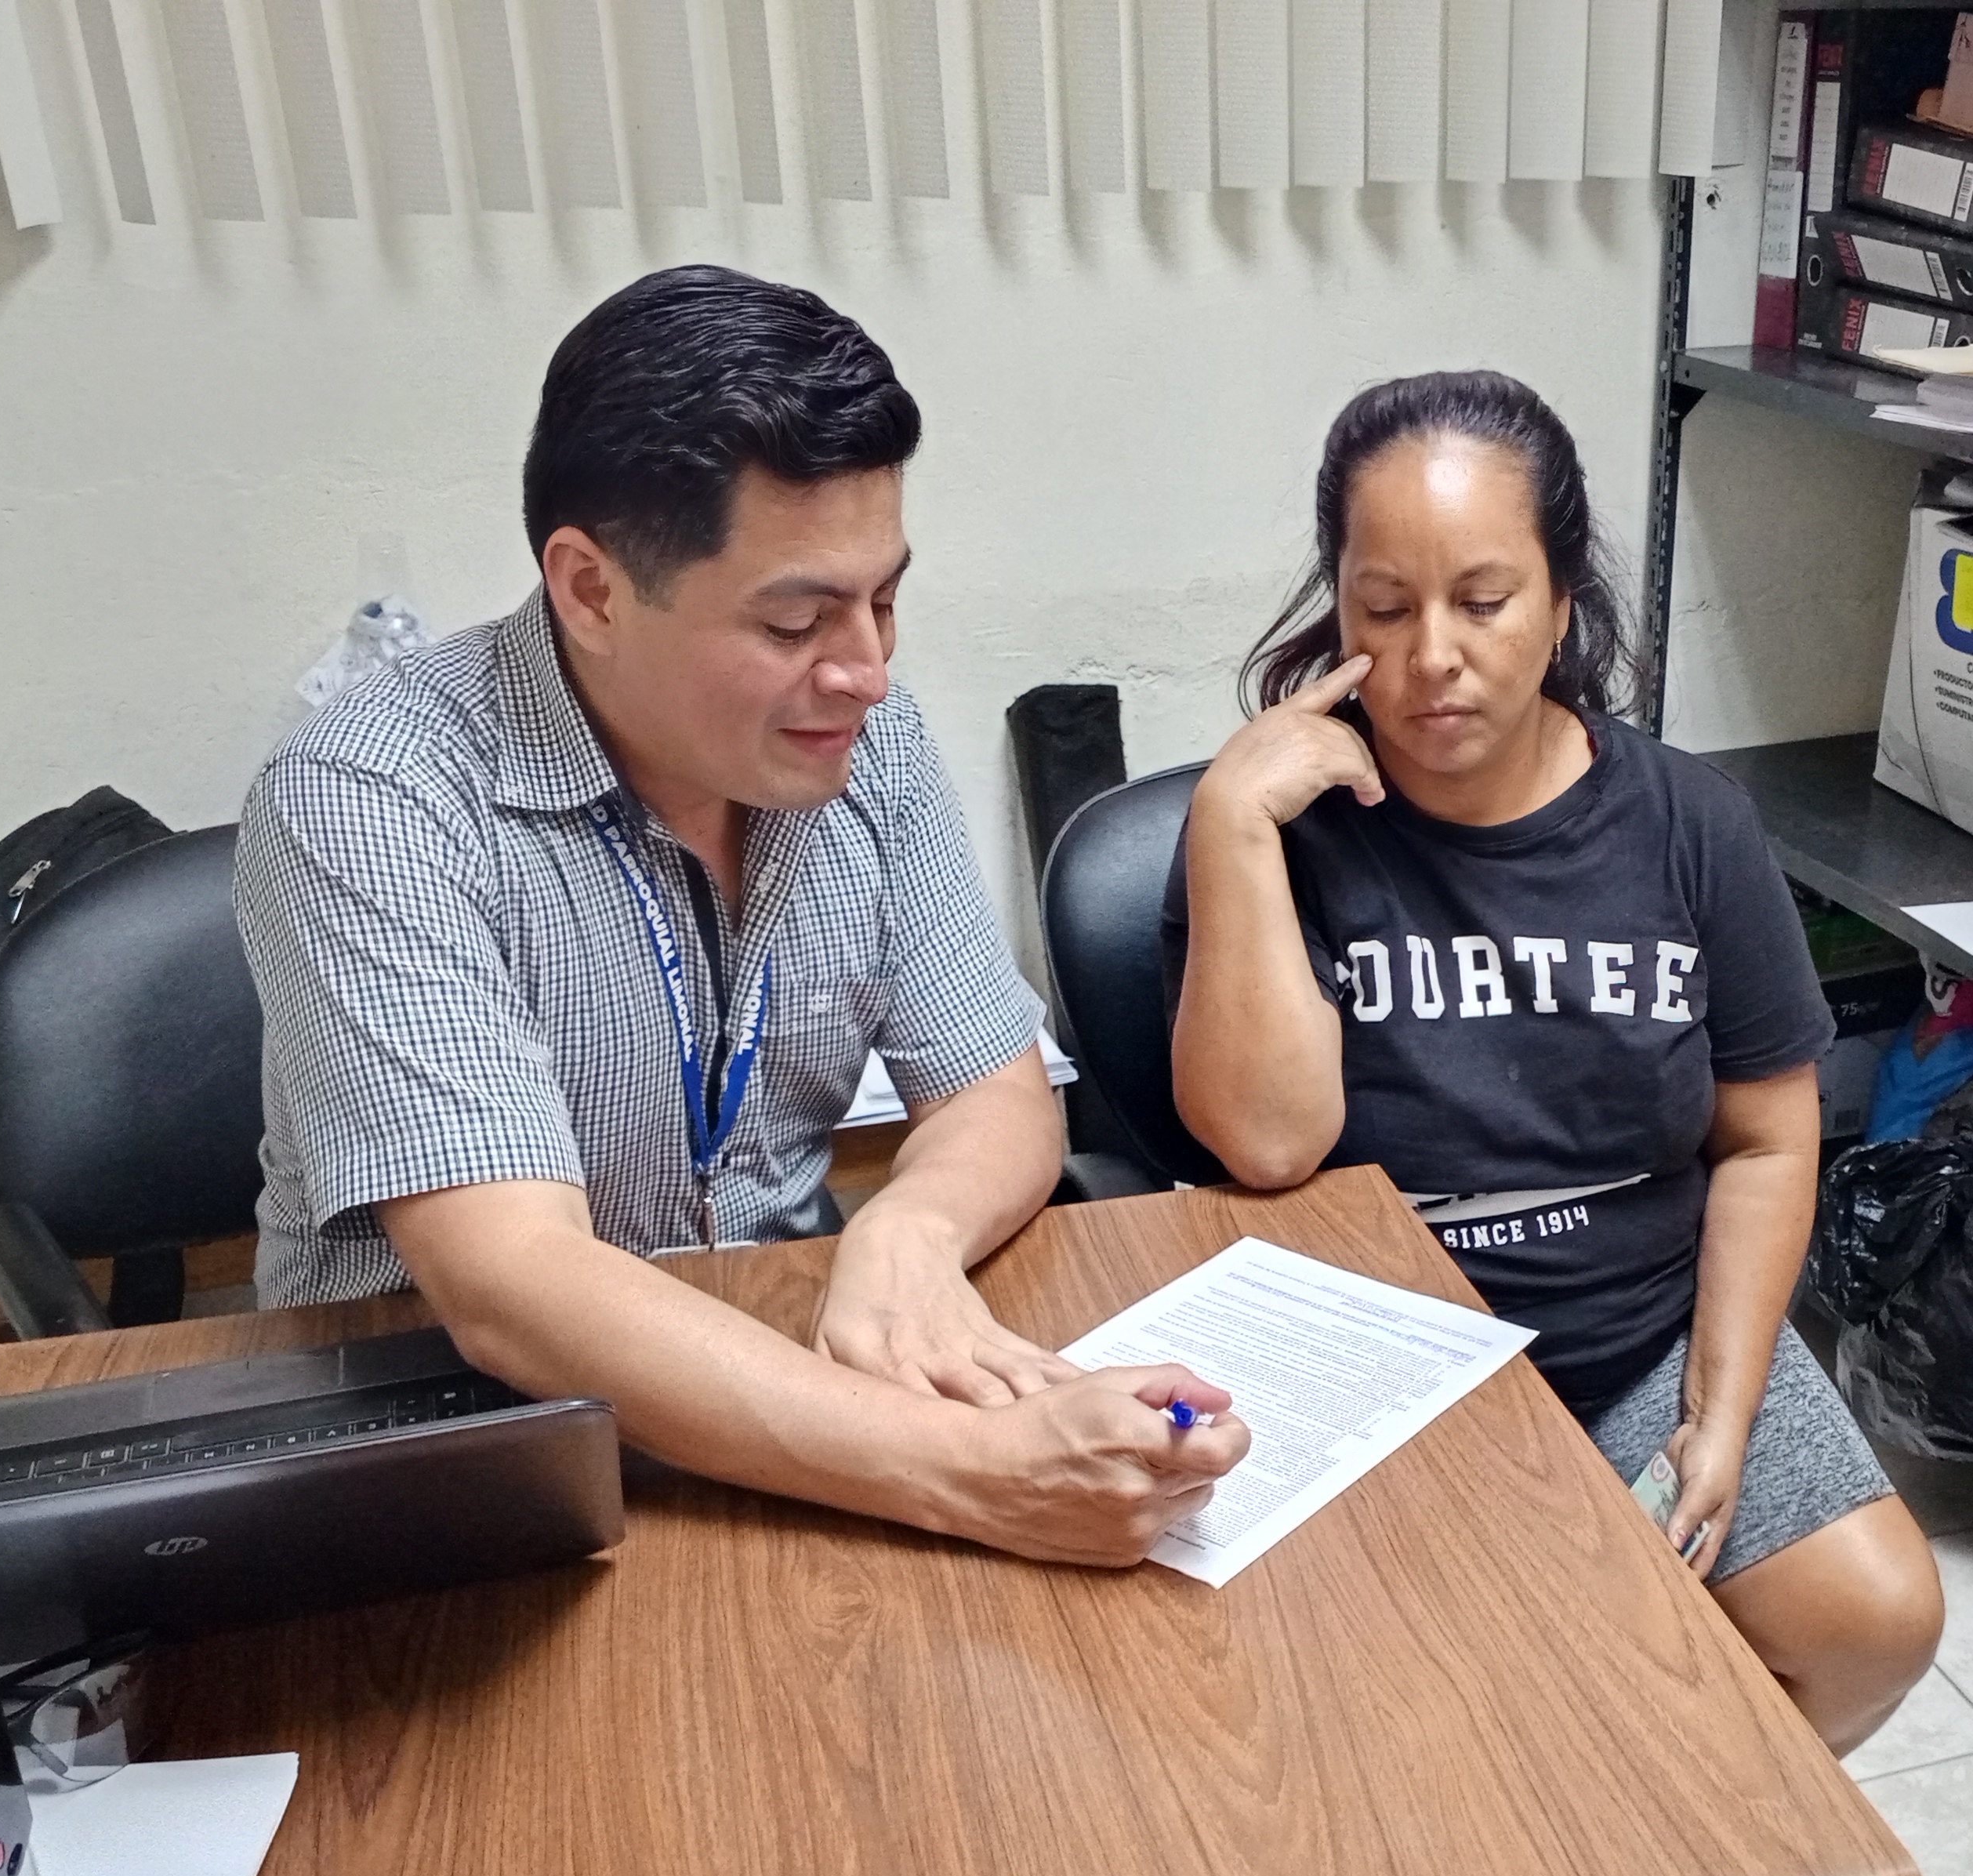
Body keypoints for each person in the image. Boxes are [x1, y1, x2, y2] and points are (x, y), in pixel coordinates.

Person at [236, 266, 1245, 1566]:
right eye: (796, 620)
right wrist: (979, 1475)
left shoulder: (866, 746)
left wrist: (910, 1233)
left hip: (788, 1388)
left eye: (885, 599)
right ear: (591, 590)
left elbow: (998, 1094)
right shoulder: (372, 798)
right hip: (458, 1449)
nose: (866, 671)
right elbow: (513, 1287)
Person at [1164, 372, 1943, 1876]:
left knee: (1873, 1617)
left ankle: (1700, 1847)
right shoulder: (1292, 830)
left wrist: (1722, 1413)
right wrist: (1230, 822)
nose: (1430, 655)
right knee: (1396, 1732)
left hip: (1630, 1346)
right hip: (1382, 1382)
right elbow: (1267, 1145)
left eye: (1482, 599)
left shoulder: (1688, 827)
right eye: (1383, 608)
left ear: (1564, 600)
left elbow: (1766, 1142)